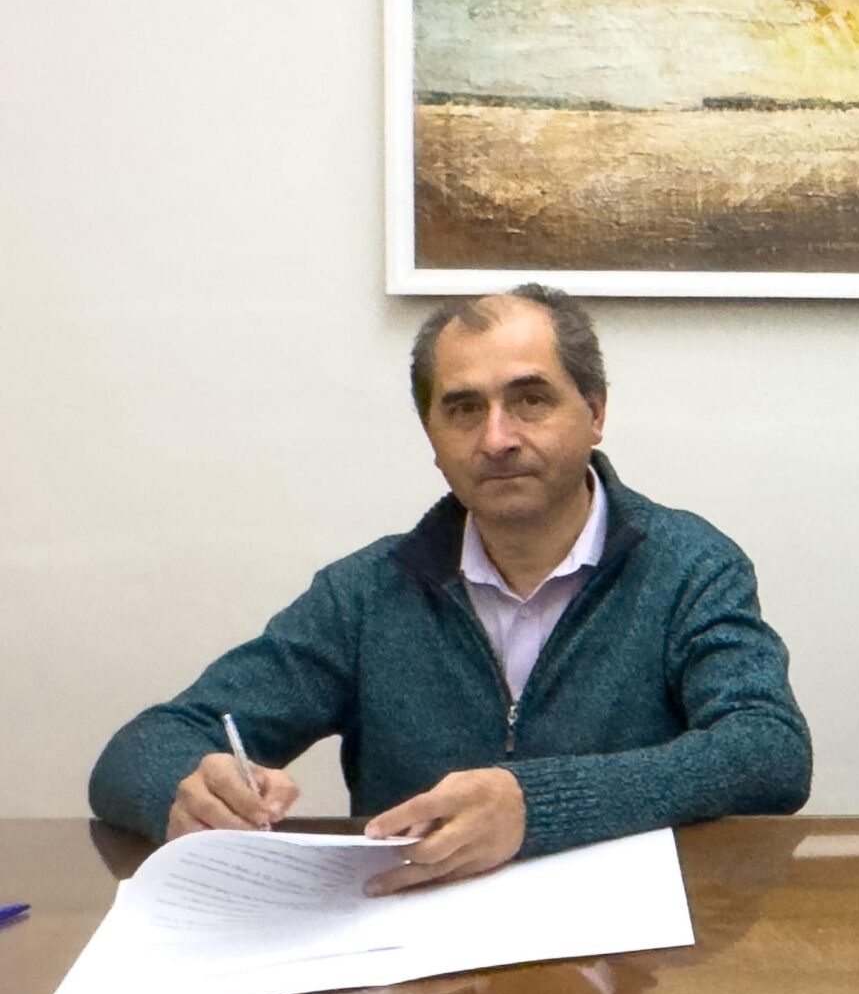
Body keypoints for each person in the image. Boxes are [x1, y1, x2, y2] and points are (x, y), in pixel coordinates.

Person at [89, 285, 811, 890]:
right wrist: (185, 794)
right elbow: (141, 747)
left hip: (630, 954)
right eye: (464, 409)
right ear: (431, 435)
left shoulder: (688, 565)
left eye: (530, 400)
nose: (496, 438)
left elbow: (768, 749)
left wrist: (536, 804)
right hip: (419, 960)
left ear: (595, 412)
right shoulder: (366, 594)